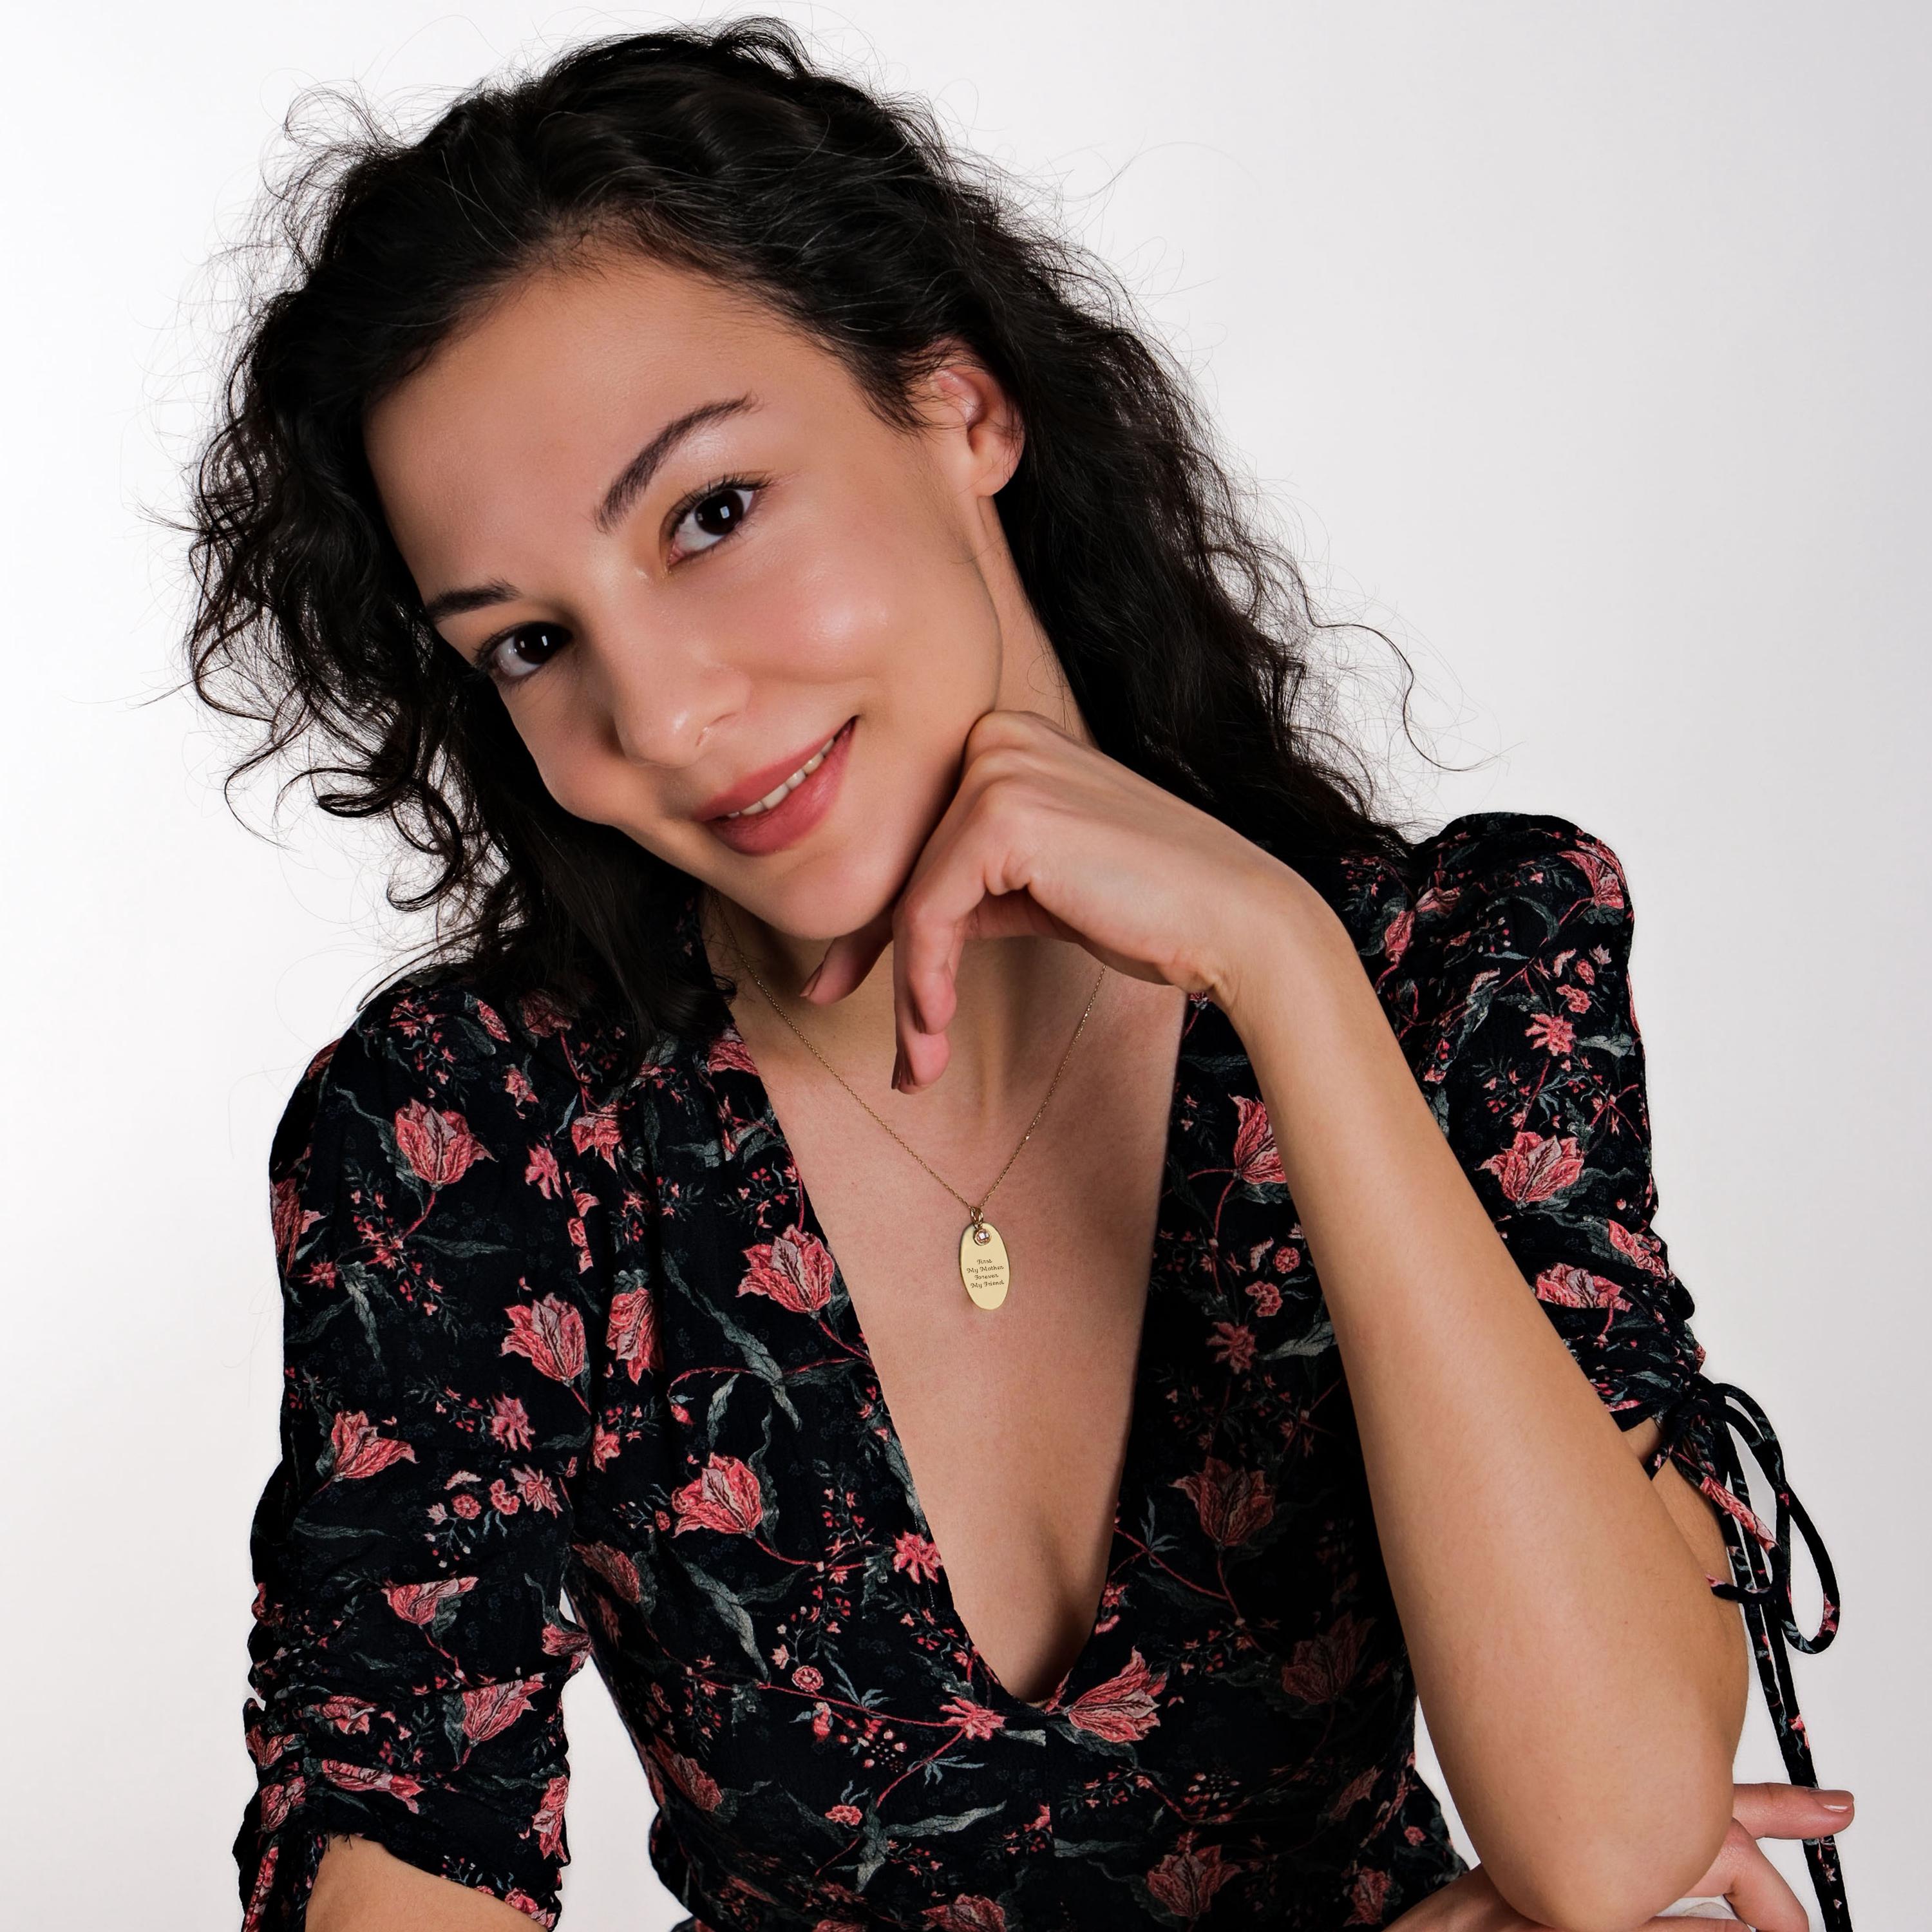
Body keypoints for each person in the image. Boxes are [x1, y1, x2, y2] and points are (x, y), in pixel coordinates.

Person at [184, 20, 1853, 1931]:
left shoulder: (1452, 968)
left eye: (713, 514)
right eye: (532, 643)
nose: (662, 712)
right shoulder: (486, 1134)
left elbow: (1614, 1832)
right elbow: (398, 1871)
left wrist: (1285, 969)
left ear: (961, 408)